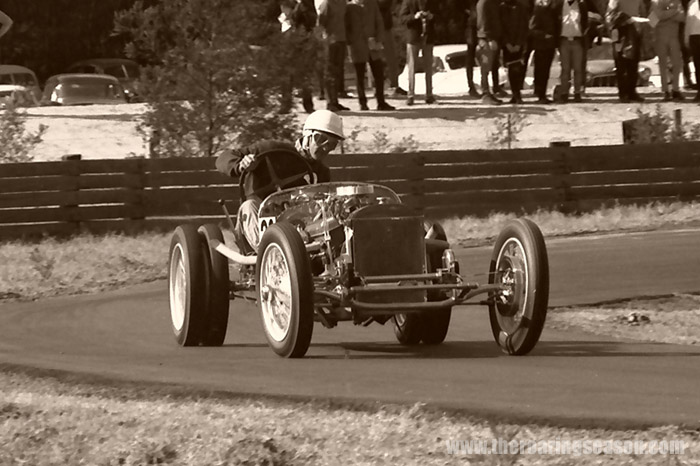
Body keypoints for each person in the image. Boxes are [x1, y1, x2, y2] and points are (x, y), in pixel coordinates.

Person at [215, 110, 344, 253]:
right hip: (259, 216)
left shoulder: (321, 172)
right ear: (307, 135)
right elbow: (224, 158)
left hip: (298, 227)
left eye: (332, 144)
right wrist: (241, 164)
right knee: (249, 206)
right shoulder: (271, 149)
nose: (325, 148)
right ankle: (269, 253)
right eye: (320, 139)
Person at [346, 0, 396, 110]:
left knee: (379, 74)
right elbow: (347, 27)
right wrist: (351, 43)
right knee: (359, 75)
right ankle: (362, 102)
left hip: (373, 45)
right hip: (357, 46)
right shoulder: (349, 7)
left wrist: (379, 40)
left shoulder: (372, 3)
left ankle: (381, 101)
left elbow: (379, 22)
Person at [278, 0, 319, 113]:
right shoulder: (307, 7)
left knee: (288, 76)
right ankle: (307, 104)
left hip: (295, 46)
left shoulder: (301, 9)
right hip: (304, 44)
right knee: (305, 76)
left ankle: (287, 104)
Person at [606, 0, 646, 102]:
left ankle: (632, 92)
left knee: (633, 65)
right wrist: (623, 20)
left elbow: (643, 12)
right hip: (621, 35)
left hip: (634, 33)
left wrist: (641, 26)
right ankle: (623, 94)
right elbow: (609, 17)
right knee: (621, 66)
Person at [400, 0, 438, 105]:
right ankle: (410, 95)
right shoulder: (408, 1)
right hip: (413, 37)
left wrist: (431, 16)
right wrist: (414, 17)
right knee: (412, 67)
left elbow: (439, 15)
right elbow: (402, 18)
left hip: (428, 36)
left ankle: (429, 95)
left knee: (429, 66)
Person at [316, 0, 351, 111]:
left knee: (338, 71)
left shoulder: (342, 3)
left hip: (341, 39)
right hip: (330, 42)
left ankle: (335, 100)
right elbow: (321, 23)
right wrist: (322, 39)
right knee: (329, 71)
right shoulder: (327, 4)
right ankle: (330, 101)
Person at [651, 0, 686, 101]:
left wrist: (666, 14)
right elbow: (659, 16)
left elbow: (682, 17)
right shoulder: (655, 1)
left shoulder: (676, 1)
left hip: (673, 37)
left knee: (677, 64)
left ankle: (675, 89)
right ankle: (665, 90)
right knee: (663, 64)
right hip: (660, 37)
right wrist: (674, 11)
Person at [557, 0, 589, 103]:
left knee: (578, 69)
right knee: (565, 69)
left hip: (577, 41)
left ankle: (577, 92)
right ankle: (564, 93)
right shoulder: (560, 4)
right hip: (564, 41)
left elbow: (585, 22)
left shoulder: (581, 5)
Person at [529, 0, 561, 104]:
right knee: (540, 72)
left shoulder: (553, 10)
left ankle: (542, 94)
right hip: (541, 46)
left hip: (550, 46)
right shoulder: (538, 10)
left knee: (546, 72)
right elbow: (532, 29)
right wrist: (544, 35)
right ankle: (540, 95)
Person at [500, 0, 530, 104]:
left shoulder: (521, 7)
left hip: (518, 43)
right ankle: (515, 94)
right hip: (507, 44)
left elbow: (524, 26)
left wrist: (519, 43)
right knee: (511, 69)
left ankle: (517, 94)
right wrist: (506, 43)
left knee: (518, 69)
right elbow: (500, 26)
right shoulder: (502, 8)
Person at [377, 0, 408, 95]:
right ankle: (382, 86)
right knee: (379, 59)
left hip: (387, 26)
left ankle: (393, 84)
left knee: (393, 58)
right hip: (379, 27)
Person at [477, 0, 504, 104]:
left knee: (490, 66)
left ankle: (488, 92)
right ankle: (485, 94)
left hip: (492, 37)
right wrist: (489, 38)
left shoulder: (493, 2)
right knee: (485, 68)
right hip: (486, 39)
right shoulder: (484, 2)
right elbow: (483, 22)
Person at [463, 0, 481, 97]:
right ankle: (471, 86)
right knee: (470, 56)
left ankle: (493, 85)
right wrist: (468, 12)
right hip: (471, 25)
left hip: (482, 22)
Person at [684, 0, 700, 100]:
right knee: (697, 65)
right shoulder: (691, 3)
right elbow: (688, 22)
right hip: (694, 36)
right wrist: (686, 37)